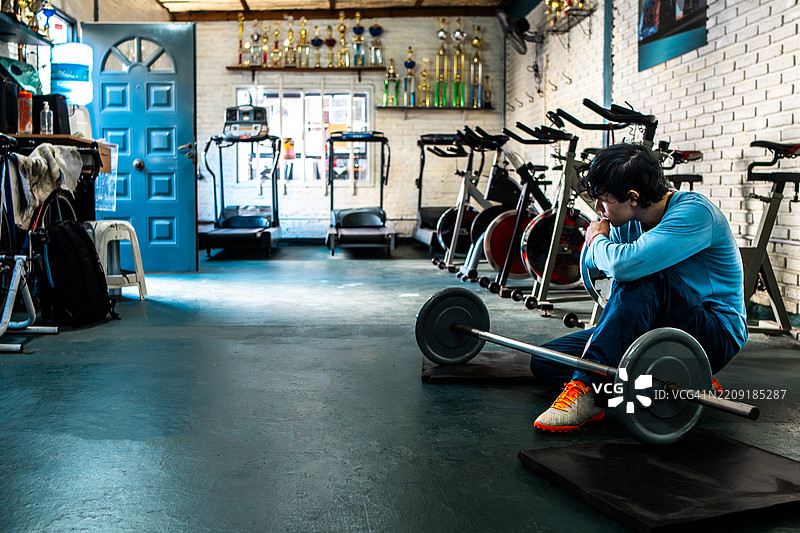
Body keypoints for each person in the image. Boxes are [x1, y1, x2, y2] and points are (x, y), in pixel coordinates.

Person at [532, 143, 748, 432]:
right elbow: (592, 271)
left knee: (644, 274)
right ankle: (681, 376)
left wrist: (596, 241)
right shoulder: (627, 220)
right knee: (545, 362)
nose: (598, 209)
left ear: (633, 197)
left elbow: (623, 266)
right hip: (656, 326)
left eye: (602, 201)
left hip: (713, 333)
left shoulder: (695, 213)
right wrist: (602, 250)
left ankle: (590, 390)